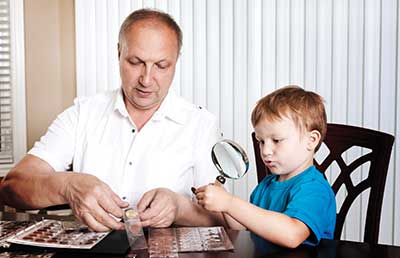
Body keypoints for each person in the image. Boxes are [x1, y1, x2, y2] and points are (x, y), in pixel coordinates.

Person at [0, 9, 224, 231]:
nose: (146, 79)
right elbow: (11, 187)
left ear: (176, 61)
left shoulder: (200, 124)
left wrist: (179, 207)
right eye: (136, 62)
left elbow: (223, 218)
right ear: (119, 53)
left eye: (161, 66)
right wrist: (67, 186)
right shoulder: (83, 114)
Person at [195, 86, 336, 248]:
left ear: (311, 140)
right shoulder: (266, 185)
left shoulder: (314, 189)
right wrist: (224, 204)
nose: (265, 151)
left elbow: (292, 234)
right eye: (261, 141)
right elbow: (246, 228)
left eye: (276, 140)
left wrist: (230, 203)